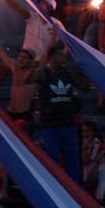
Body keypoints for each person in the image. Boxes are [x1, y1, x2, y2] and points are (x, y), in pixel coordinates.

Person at [34, 40, 84, 182]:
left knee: (72, 161)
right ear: (52, 56)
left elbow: (84, 88)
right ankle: (53, 188)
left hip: (68, 124)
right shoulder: (43, 74)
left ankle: (75, 191)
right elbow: (30, 79)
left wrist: (82, 71)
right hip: (50, 125)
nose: (64, 57)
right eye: (60, 54)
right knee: (52, 161)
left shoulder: (68, 73)